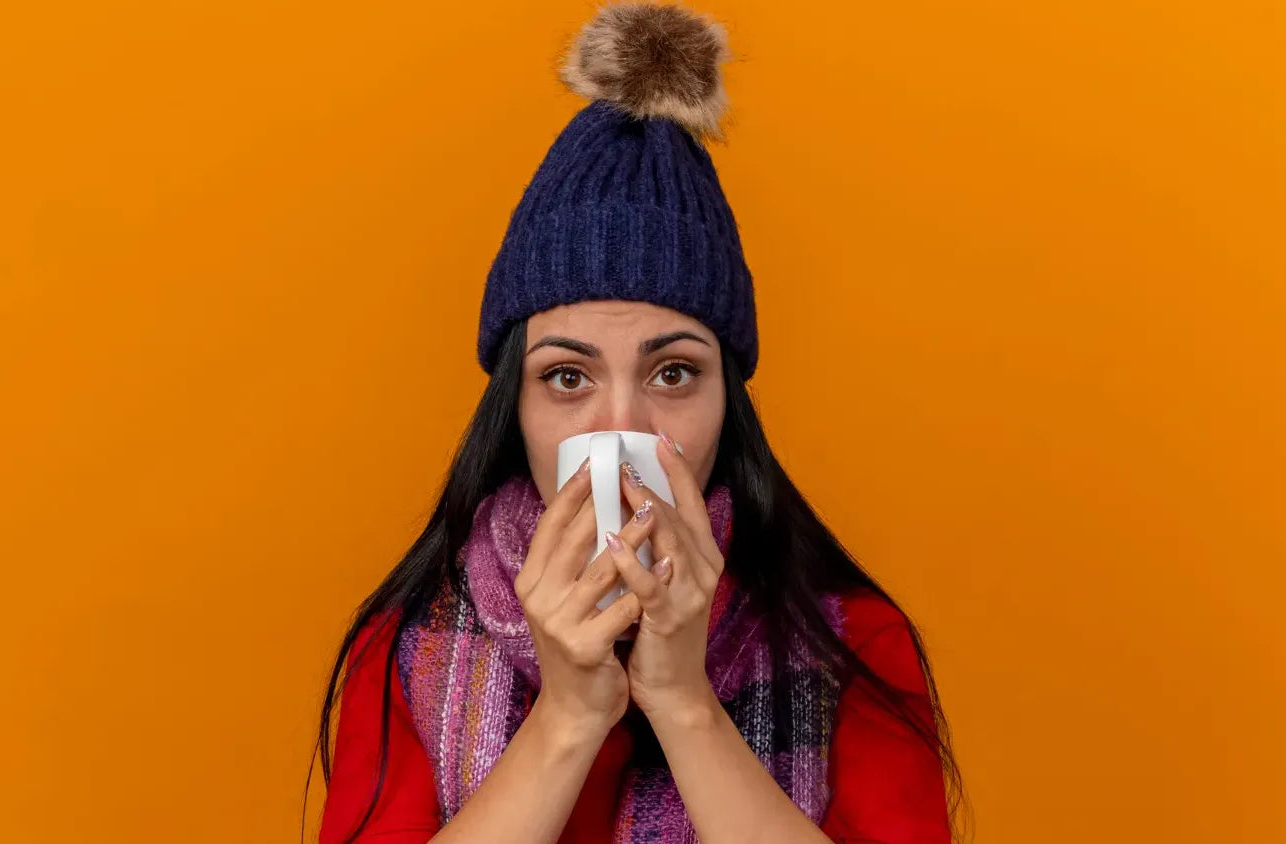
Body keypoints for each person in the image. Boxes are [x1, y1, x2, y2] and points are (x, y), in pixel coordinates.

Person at [313, 4, 963, 842]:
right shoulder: (406, 649)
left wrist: (685, 702)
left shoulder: (852, 644)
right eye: (568, 376)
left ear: (730, 401)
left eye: (673, 372)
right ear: (514, 405)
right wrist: (566, 722)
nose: (622, 425)